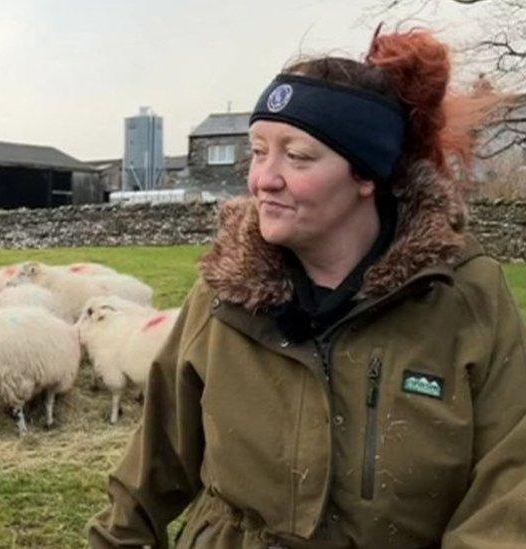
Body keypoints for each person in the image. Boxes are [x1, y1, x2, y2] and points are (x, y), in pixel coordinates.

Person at [89, 28, 526, 548]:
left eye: (297, 156)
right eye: (257, 152)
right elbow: (152, 464)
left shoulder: (462, 298)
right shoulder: (227, 294)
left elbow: (509, 488)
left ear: (366, 174)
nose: (263, 179)